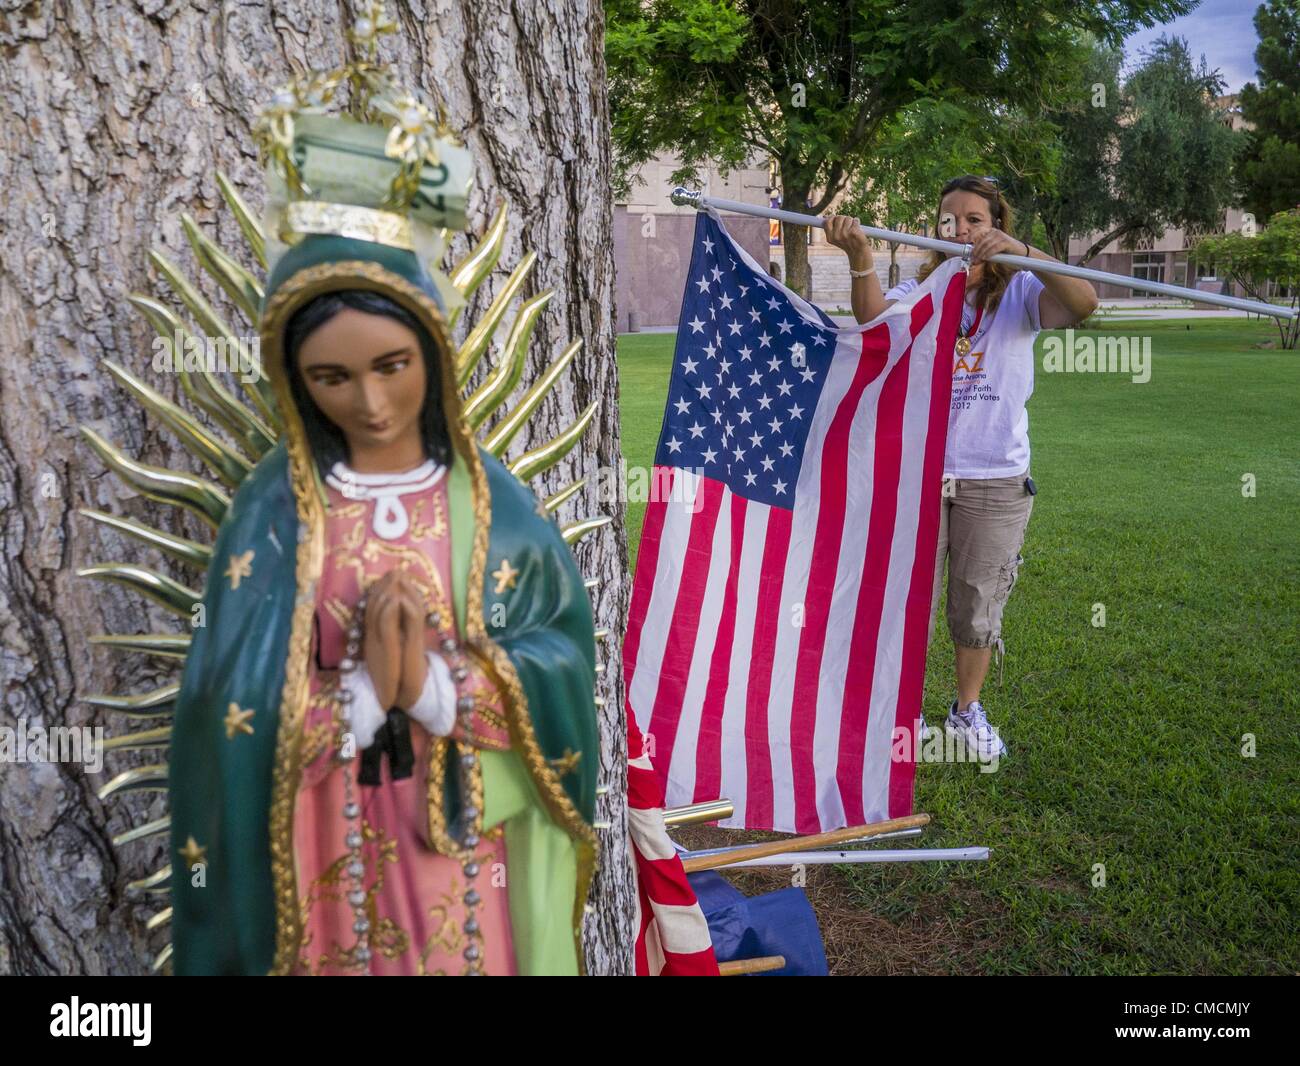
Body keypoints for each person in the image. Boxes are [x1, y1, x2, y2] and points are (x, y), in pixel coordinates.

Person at [824, 175, 1098, 760]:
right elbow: (873, 322)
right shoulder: (923, 289)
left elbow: (1083, 303)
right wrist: (859, 256)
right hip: (919, 474)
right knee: (907, 600)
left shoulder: (1021, 289)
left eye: (977, 219)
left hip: (995, 476)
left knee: (977, 602)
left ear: (996, 225)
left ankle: (966, 710)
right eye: (950, 220)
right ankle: (895, 713)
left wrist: (1021, 252)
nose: (962, 230)